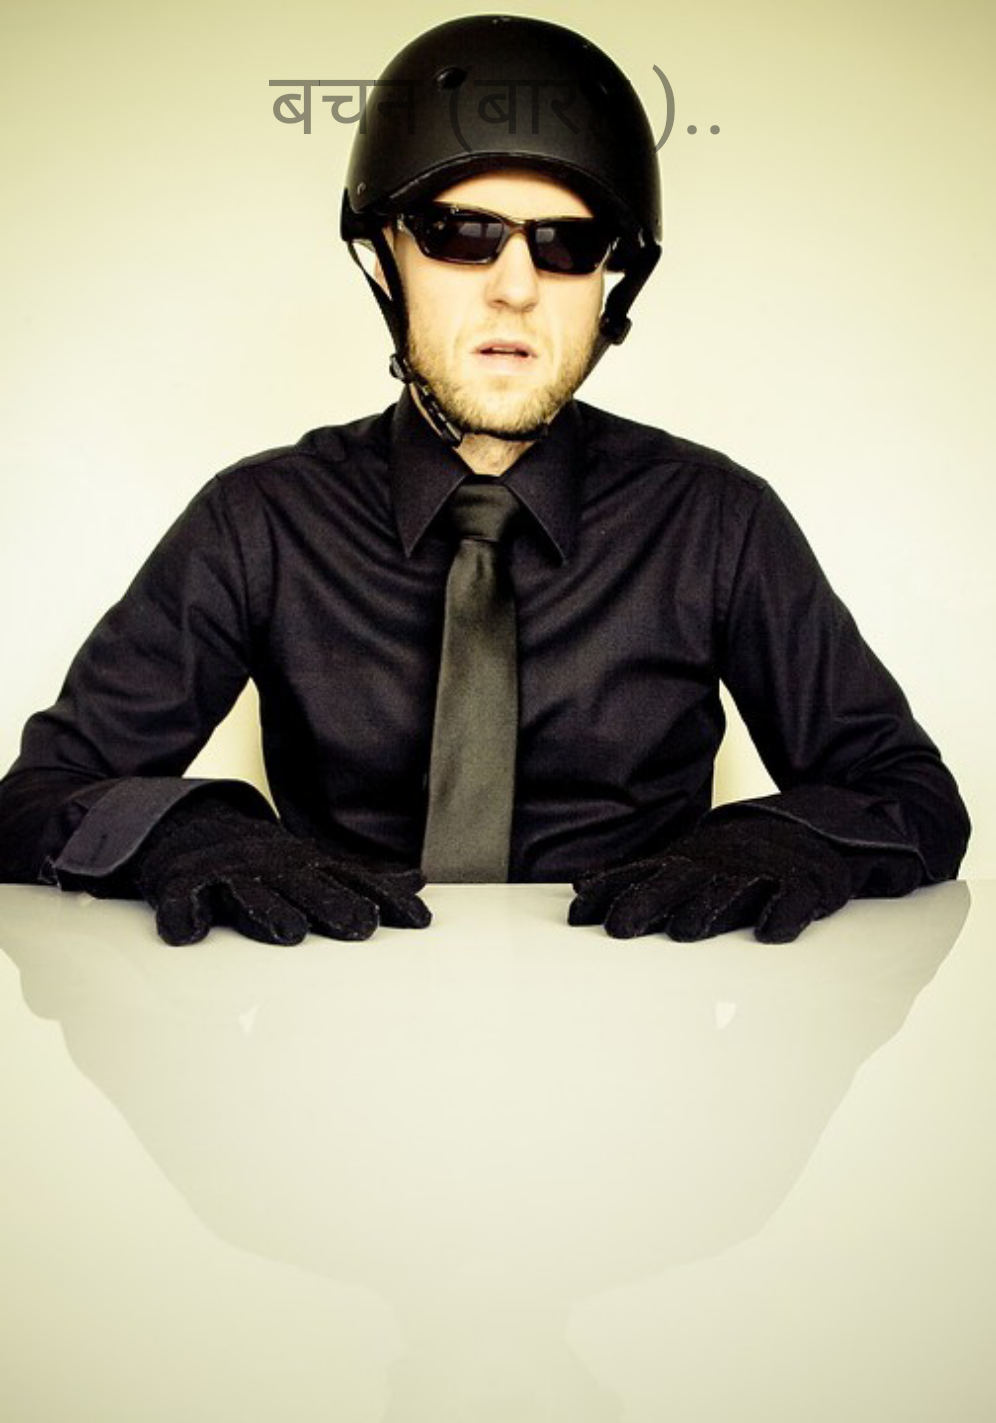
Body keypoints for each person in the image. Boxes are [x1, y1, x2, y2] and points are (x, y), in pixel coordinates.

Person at [0, 15, 970, 946]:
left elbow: (914, 795)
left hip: (641, 1016)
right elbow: (35, 799)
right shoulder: (257, 521)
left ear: (610, 284)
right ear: (385, 258)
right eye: (461, 233)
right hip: (334, 1013)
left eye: (567, 246)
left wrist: (787, 838)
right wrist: (184, 831)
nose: (515, 286)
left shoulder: (718, 521)